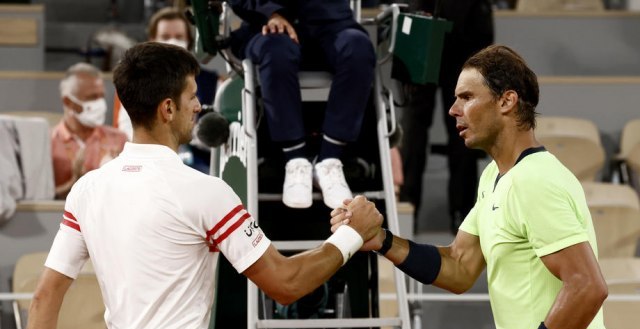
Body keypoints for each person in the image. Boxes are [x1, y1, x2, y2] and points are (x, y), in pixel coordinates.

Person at [18, 42, 382, 329]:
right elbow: (285, 283)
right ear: (167, 108)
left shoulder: (87, 190)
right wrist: (352, 236)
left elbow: (45, 297)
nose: (199, 105)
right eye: (192, 96)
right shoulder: (204, 192)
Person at [332, 45, 630, 329]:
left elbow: (587, 286)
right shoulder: (494, 177)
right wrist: (383, 240)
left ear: (507, 101)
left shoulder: (535, 179)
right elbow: (459, 266)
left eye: (467, 97)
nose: (453, 110)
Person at [229, 0, 376, 209]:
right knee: (276, 50)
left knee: (358, 48)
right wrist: (271, 13)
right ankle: (296, 160)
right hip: (267, 26)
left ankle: (329, 161)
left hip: (332, 24)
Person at [398, 0, 494, 233]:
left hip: (461, 31)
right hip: (423, 26)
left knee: (464, 126)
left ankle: (462, 214)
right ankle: (407, 209)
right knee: (414, 130)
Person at [113, 7, 220, 172]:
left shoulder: (212, 81)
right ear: (152, 40)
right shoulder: (134, 81)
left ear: (189, 41)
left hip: (200, 165)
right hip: (148, 163)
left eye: (179, 36)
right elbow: (127, 130)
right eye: (165, 36)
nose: (172, 41)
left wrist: (190, 134)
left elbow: (217, 135)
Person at [51, 63, 127, 199]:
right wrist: (73, 184)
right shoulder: (49, 143)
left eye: (101, 96)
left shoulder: (119, 140)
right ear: (68, 102)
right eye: (92, 97)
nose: (100, 104)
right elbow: (42, 198)